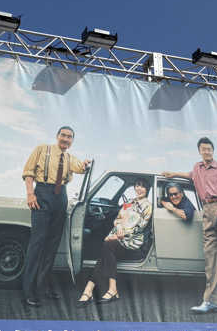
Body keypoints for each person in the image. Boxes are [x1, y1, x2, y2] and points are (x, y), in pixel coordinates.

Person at [163, 137, 217, 313]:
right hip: (207, 211)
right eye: (203, 149)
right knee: (211, 257)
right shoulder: (196, 168)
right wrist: (173, 174)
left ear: (212, 151)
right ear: (199, 151)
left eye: (209, 149)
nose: (206, 152)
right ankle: (213, 301)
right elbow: (189, 176)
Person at [21, 126, 91, 307]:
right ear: (57, 136)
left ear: (72, 141)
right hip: (43, 194)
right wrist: (30, 194)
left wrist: (85, 164)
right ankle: (28, 291)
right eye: (63, 135)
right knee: (37, 244)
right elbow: (28, 173)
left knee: (51, 246)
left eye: (69, 137)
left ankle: (42, 287)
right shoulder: (42, 149)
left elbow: (80, 168)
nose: (66, 139)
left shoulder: (69, 158)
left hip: (61, 198)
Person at [76, 178, 153, 306]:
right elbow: (117, 219)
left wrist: (119, 236)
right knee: (106, 250)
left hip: (132, 243)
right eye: (137, 185)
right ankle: (104, 290)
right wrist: (118, 227)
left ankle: (91, 291)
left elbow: (140, 227)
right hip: (118, 238)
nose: (139, 188)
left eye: (143, 186)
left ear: (147, 189)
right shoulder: (129, 202)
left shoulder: (147, 206)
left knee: (106, 247)